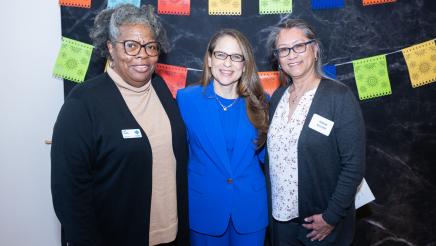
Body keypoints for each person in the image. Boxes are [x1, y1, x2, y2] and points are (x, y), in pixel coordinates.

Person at [51, 4, 189, 246]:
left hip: (171, 236)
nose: (143, 55)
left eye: (150, 46)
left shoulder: (161, 90)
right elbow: (69, 195)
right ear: (110, 48)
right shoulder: (83, 103)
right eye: (131, 45)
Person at [265, 19, 366, 245]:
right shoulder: (278, 98)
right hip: (280, 220)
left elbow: (354, 165)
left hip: (319, 224)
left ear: (315, 49)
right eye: (283, 49)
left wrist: (331, 217)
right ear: (278, 59)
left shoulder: (338, 97)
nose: (292, 54)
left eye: (299, 46)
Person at [176, 29, 269, 245]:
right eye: (221, 55)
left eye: (236, 57)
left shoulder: (262, 102)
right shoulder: (186, 100)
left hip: (250, 210)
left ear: (245, 64)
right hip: (204, 208)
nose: (228, 63)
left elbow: (271, 159)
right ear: (209, 59)